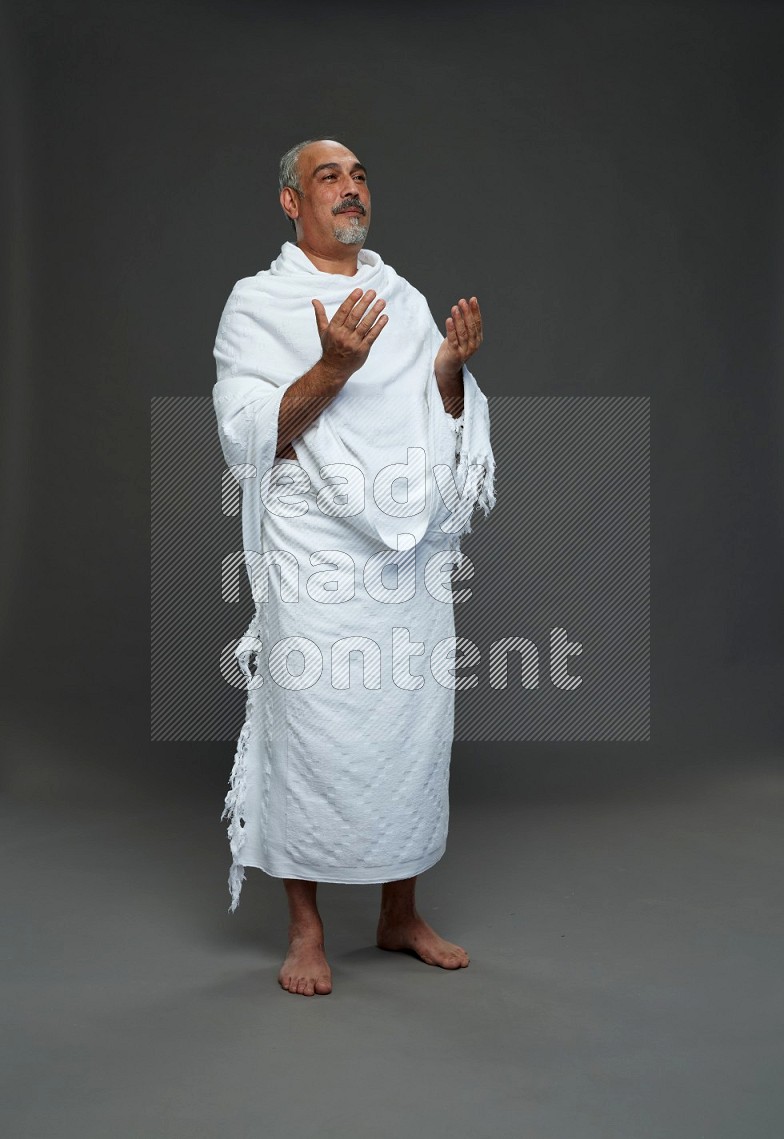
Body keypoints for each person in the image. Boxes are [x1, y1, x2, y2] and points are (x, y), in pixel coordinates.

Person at [213, 138, 495, 996]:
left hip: (407, 551)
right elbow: (247, 433)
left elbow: (439, 420)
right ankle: (306, 925)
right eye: (329, 177)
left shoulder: (401, 300)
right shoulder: (256, 304)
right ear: (292, 203)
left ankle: (398, 910)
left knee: (409, 725)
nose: (351, 188)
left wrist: (448, 372)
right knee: (310, 722)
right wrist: (333, 366)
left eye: (360, 174)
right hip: (314, 549)